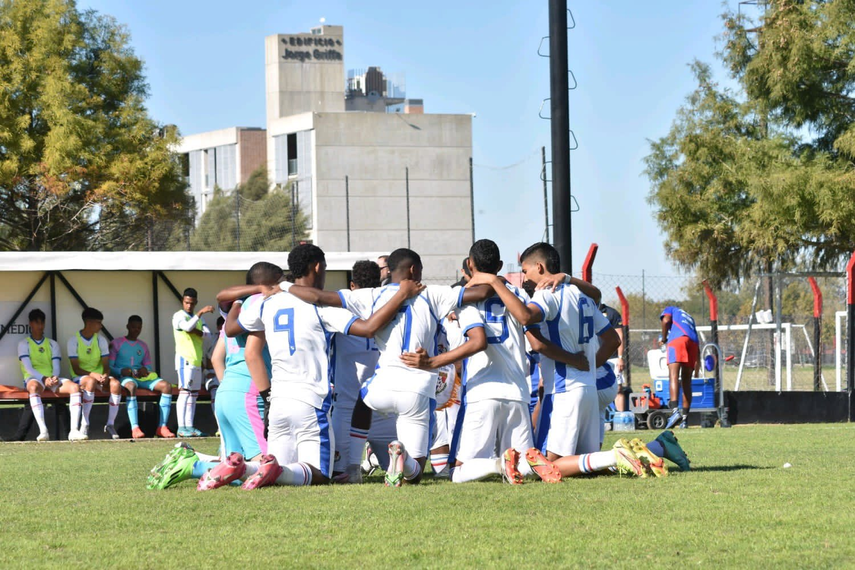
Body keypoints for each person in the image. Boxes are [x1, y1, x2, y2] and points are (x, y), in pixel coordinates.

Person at [217, 244, 425, 490]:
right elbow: (369, 328)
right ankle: (263, 468)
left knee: (280, 472)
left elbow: (231, 329)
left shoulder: (267, 303)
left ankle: (244, 467)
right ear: (317, 267)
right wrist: (401, 295)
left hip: (278, 401)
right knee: (319, 473)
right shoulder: (321, 307)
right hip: (310, 402)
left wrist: (238, 306)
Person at [466, 243, 653, 479]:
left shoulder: (547, 294)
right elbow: (612, 341)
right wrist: (589, 365)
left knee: (541, 466)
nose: (525, 277)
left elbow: (525, 317)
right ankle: (655, 449)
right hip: (588, 388)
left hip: (564, 390)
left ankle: (616, 456)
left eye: (526, 270)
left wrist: (495, 282)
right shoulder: (580, 295)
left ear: (540, 267)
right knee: (584, 467)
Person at [422, 239, 567, 484]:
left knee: (458, 472)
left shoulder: (465, 299)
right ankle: (515, 464)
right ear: (500, 265)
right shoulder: (518, 293)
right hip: (518, 390)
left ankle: (499, 464)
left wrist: (434, 362)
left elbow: (476, 341)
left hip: (482, 391)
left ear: (469, 264)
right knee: (524, 465)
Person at [18, 309, 85, 441]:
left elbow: (56, 365)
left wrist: (54, 377)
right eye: (37, 323)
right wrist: (44, 379)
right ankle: (43, 431)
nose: (40, 326)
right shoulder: (23, 344)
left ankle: (74, 431)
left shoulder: (52, 344)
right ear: (30, 323)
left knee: (75, 388)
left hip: (51, 380)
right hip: (35, 379)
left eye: (42, 323)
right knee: (32, 388)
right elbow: (28, 367)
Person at [109, 315, 175, 439]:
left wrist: (145, 370)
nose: (136, 330)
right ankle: (135, 428)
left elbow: (148, 367)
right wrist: (121, 371)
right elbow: (110, 367)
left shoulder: (143, 346)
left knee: (166, 386)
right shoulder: (117, 343)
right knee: (131, 386)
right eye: (134, 327)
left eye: (139, 328)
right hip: (125, 378)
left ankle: (162, 427)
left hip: (142, 379)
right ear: (128, 326)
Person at [67, 307, 121, 439]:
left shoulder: (100, 340)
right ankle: (85, 423)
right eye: (98, 322)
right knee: (90, 382)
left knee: (116, 385)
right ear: (89, 322)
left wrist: (105, 375)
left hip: (98, 376)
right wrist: (93, 375)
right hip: (81, 377)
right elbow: (76, 369)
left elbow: (106, 365)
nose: (100, 326)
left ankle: (110, 424)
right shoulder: (73, 341)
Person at [172, 287, 213, 437]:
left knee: (193, 394)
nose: (189, 306)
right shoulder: (178, 316)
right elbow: (187, 327)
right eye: (186, 302)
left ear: (195, 302)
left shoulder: (199, 319)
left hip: (196, 359)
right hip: (185, 359)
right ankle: (181, 427)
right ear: (183, 301)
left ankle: (189, 426)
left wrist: (196, 330)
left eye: (192, 303)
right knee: (184, 392)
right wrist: (200, 313)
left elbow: (208, 336)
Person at [659, 306, 700, 429]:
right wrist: (697, 369)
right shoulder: (689, 317)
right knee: (686, 381)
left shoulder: (670, 308)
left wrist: (664, 338)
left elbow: (666, 321)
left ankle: (675, 411)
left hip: (677, 340)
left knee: (673, 375)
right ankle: (685, 420)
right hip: (693, 343)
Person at [599, 303, 629, 412]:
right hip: (595, 356)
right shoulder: (586, 311)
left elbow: (620, 336)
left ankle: (620, 418)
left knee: (618, 388)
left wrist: (620, 357)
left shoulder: (612, 313)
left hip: (613, 357)